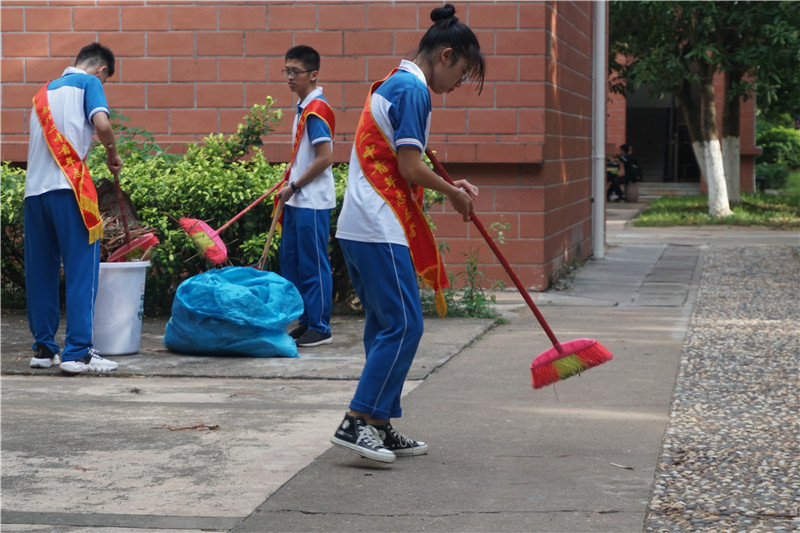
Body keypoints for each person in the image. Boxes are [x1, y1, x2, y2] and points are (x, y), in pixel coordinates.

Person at [331, 3, 485, 463]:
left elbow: (407, 160)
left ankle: (378, 422)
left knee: (385, 325)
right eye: (461, 73)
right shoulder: (414, 90)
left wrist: (449, 185)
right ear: (446, 54)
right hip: (378, 224)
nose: (458, 85)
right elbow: (410, 166)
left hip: (361, 225)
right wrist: (454, 195)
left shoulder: (395, 82)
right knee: (404, 324)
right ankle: (358, 421)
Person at [25, 42, 123, 374]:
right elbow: (102, 124)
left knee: (41, 273)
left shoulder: (41, 93)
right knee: (82, 271)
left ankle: (43, 348)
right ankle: (78, 352)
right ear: (102, 71)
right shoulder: (89, 83)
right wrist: (112, 152)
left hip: (34, 195)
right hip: (68, 192)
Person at [274, 45, 336, 348]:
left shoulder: (316, 109)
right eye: (286, 71)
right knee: (294, 264)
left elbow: (326, 158)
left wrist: (295, 186)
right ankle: (308, 322)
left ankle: (321, 327)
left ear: (313, 75)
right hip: (298, 198)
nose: (289, 77)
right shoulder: (303, 107)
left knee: (313, 264)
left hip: (311, 201)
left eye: (295, 71)